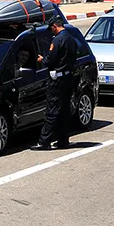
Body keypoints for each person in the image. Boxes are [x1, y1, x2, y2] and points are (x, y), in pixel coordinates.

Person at [33, 16, 79, 150]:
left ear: (54, 26)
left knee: (52, 110)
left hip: (57, 80)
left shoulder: (58, 40)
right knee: (64, 110)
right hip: (68, 78)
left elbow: (51, 61)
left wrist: (42, 59)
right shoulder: (71, 38)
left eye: (51, 29)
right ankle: (63, 140)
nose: (51, 31)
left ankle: (44, 141)